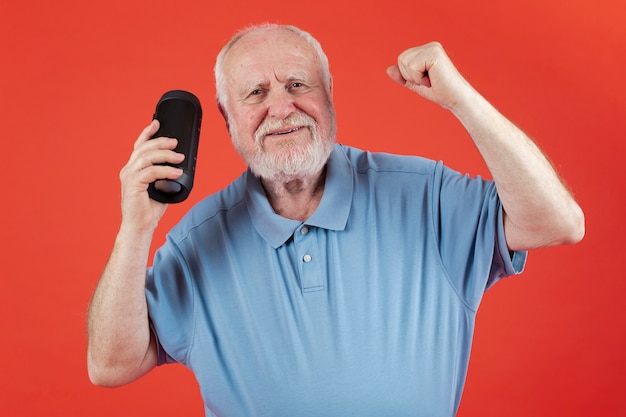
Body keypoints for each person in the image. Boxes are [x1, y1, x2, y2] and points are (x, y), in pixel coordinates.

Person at [87, 23, 584, 417]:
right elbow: (110, 365)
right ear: (226, 119)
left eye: (297, 84)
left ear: (328, 95)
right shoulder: (197, 241)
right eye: (255, 93)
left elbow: (558, 223)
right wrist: (136, 227)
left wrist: (461, 101)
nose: (281, 108)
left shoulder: (425, 193)